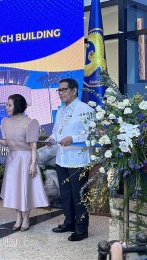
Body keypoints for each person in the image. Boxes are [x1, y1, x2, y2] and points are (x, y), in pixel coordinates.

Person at [0, 94, 48, 231]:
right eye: (7, 105)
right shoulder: (6, 122)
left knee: (26, 189)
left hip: (26, 158)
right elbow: (8, 143)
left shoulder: (30, 122)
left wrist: (33, 163)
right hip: (13, 159)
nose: (6, 108)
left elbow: (33, 145)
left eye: (9, 105)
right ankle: (18, 217)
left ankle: (26, 217)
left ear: (17, 106)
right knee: (15, 190)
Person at [47, 78, 94, 242]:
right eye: (58, 90)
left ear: (74, 90)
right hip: (61, 159)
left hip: (78, 160)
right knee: (66, 194)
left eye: (63, 90)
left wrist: (72, 138)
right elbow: (56, 131)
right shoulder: (60, 111)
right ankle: (69, 222)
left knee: (79, 195)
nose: (60, 93)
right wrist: (51, 139)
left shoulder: (85, 109)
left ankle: (81, 229)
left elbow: (93, 135)